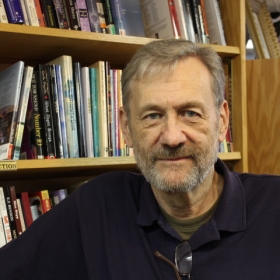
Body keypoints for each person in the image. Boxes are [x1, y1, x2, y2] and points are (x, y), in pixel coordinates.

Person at [0, 39, 280, 280]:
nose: (172, 137)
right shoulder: (96, 208)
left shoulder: (273, 206)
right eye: (153, 116)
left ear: (222, 121)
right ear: (126, 129)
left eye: (190, 113)